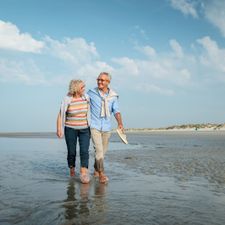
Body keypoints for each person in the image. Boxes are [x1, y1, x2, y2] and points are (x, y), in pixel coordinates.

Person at [87, 72, 124, 184]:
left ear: (108, 82)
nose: (99, 81)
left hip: (107, 128)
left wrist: (120, 123)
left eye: (102, 80)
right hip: (94, 126)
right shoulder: (91, 93)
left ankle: (96, 170)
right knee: (98, 150)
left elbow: (116, 111)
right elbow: (82, 101)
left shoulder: (113, 96)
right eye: (98, 79)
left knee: (102, 153)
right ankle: (102, 173)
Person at [57, 79, 90, 183]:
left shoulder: (86, 98)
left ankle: (83, 173)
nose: (84, 89)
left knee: (84, 151)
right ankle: (72, 170)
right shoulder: (67, 99)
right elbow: (60, 114)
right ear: (76, 89)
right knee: (72, 152)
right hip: (70, 129)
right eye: (82, 87)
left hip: (85, 129)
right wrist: (59, 128)